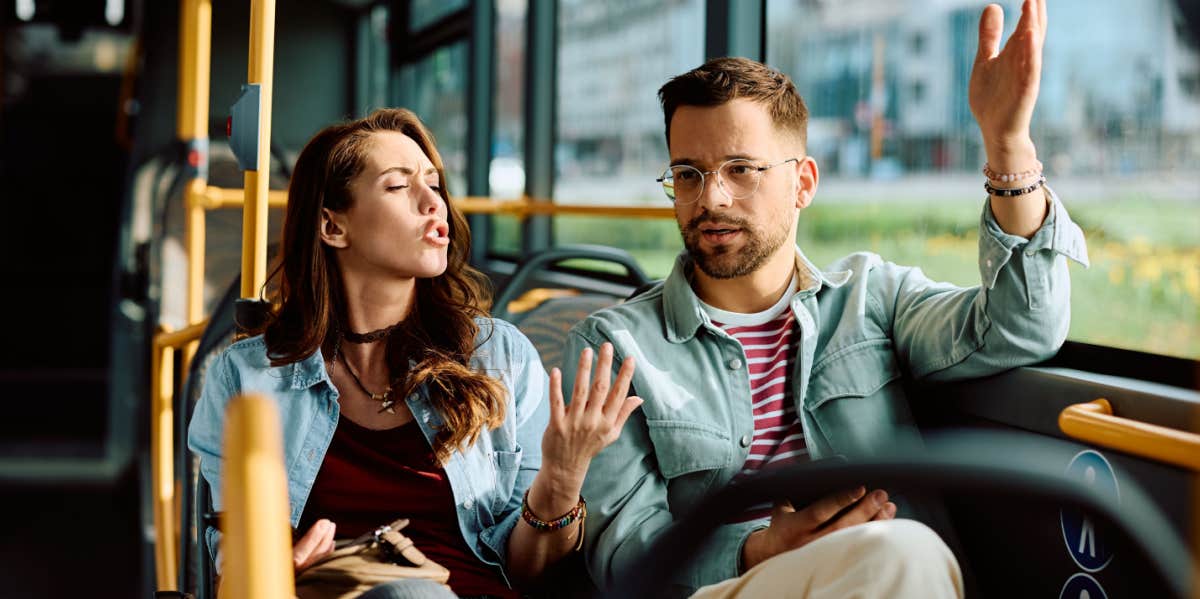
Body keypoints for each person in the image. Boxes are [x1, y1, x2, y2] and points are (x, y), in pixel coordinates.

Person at [561, 2, 1087, 598]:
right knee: (902, 551)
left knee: (897, 553)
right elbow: (624, 560)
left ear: (803, 183)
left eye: (741, 169)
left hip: (880, 574)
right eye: (688, 173)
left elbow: (1024, 327)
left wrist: (1008, 144)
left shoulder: (872, 299)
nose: (711, 198)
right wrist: (761, 551)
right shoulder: (615, 347)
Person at [187, 108, 642, 599]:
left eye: (433, 182)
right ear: (332, 226)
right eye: (399, 186)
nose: (434, 203)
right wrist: (276, 571)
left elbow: (530, 573)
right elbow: (233, 574)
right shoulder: (248, 377)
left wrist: (562, 477)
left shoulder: (498, 357)